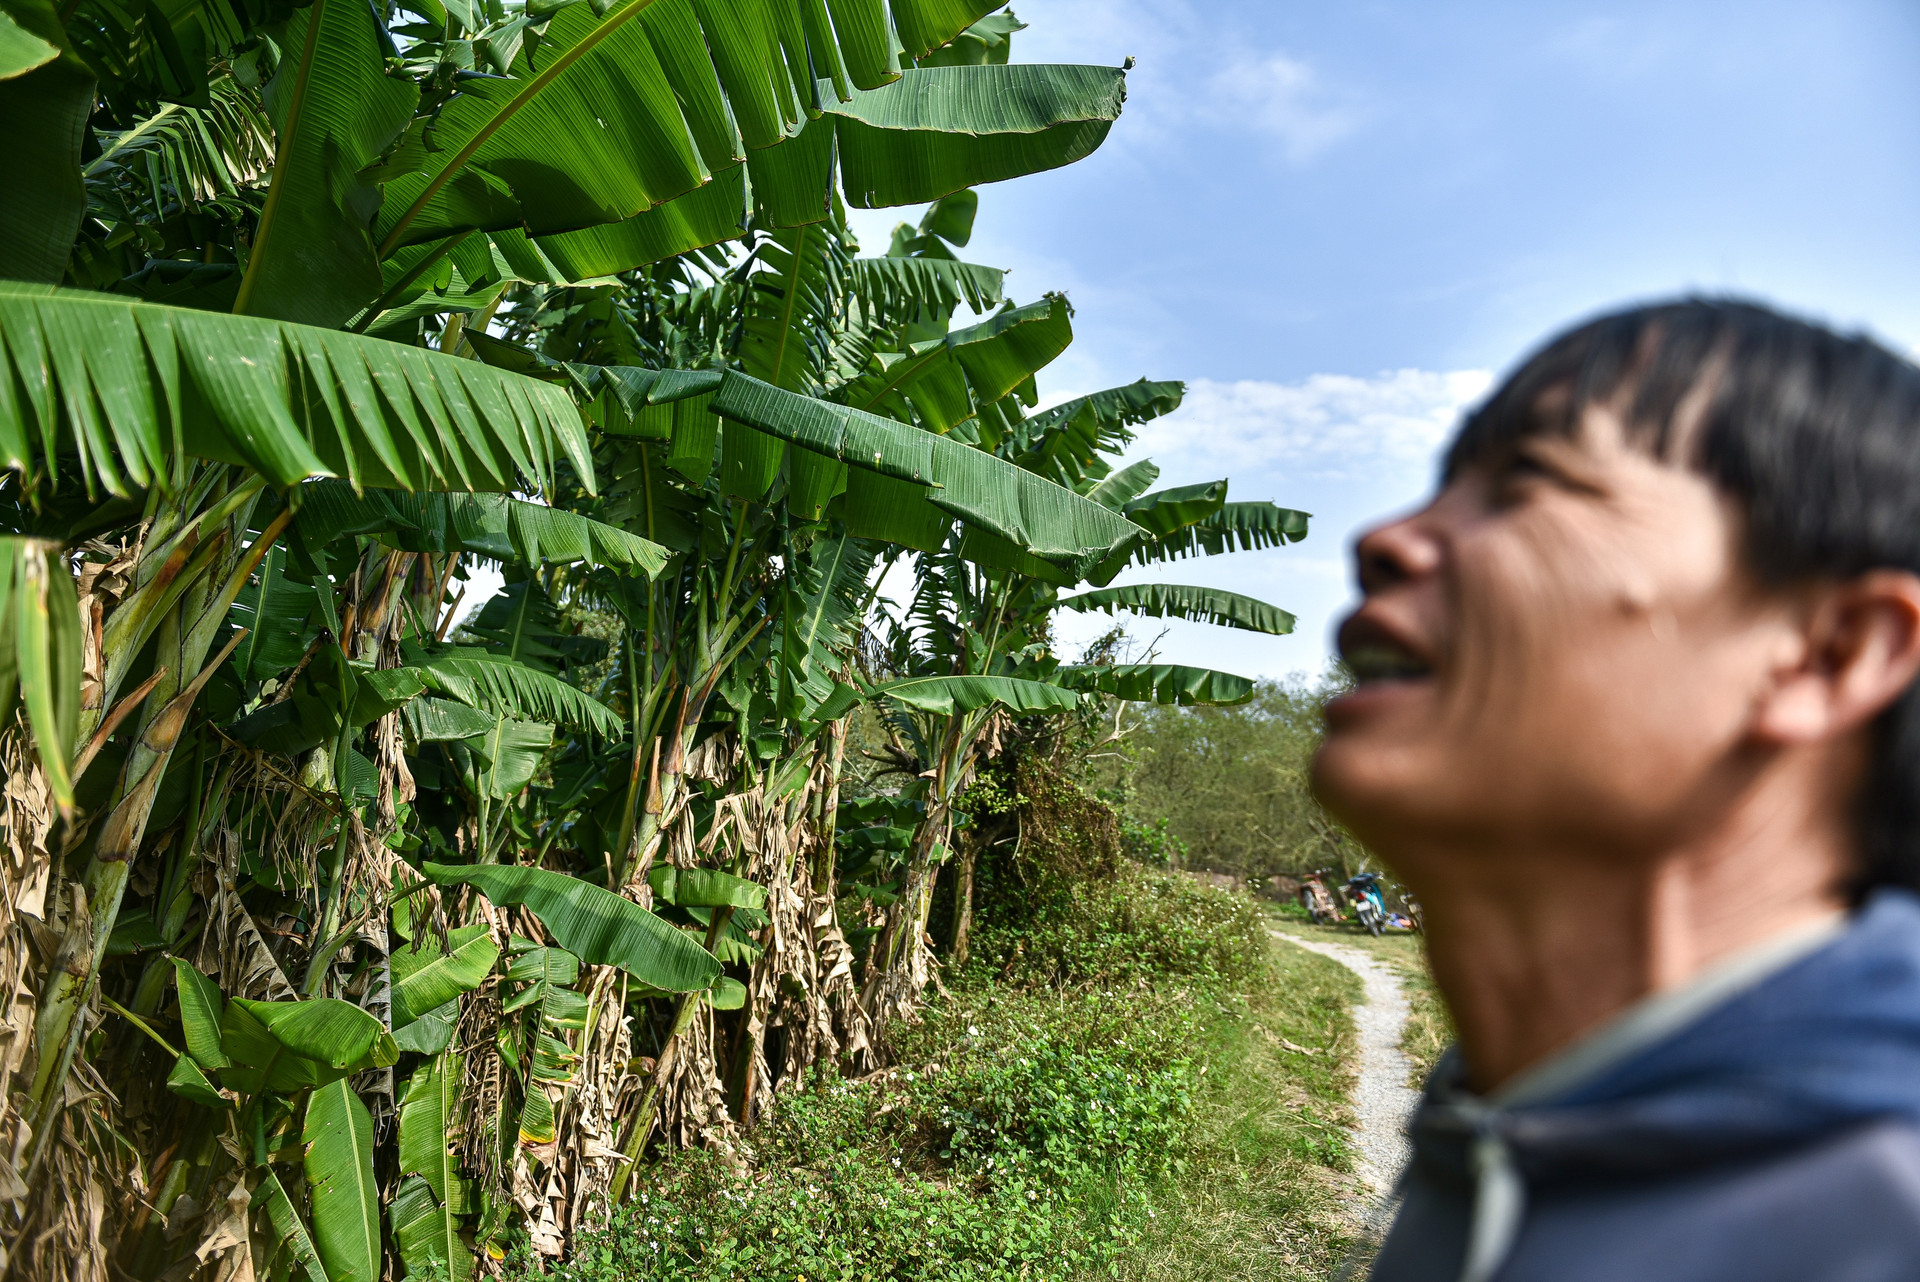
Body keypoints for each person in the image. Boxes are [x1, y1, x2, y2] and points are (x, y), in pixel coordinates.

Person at [1312, 299, 1920, 1282]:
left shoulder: (1884, 1219)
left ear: (1827, 656)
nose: (1383, 538)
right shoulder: (1501, 1143)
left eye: (1530, 483)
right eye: (1441, 486)